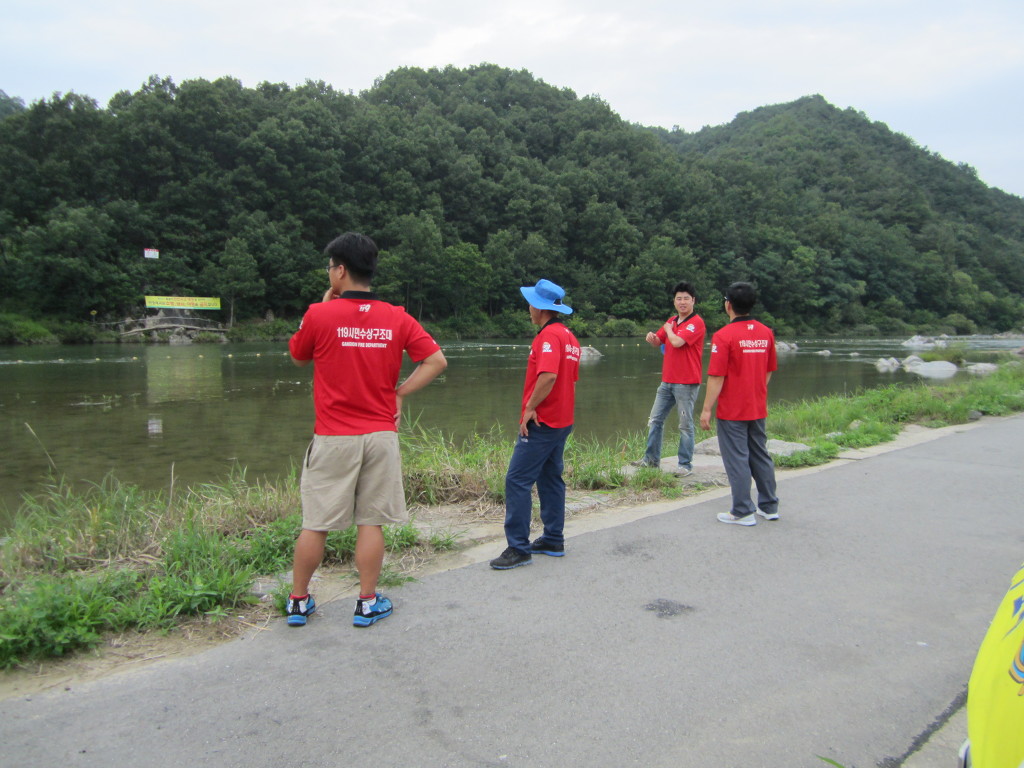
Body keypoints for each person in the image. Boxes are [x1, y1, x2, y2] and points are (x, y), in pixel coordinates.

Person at [286, 232, 447, 626]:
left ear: (340, 270)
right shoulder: (397, 316)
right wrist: (399, 393)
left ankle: (299, 602)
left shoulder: (319, 314)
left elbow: (298, 357)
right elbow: (436, 361)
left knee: (316, 523)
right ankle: (366, 603)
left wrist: (322, 307)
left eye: (330, 268)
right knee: (370, 522)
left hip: (333, 437)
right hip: (380, 435)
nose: (329, 273)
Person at [490, 279, 581, 570]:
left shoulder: (548, 336)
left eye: (530, 304)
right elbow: (570, 379)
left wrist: (530, 408)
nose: (528, 309)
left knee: (517, 480)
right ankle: (553, 539)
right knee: (550, 478)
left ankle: (518, 548)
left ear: (538, 307)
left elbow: (549, 375)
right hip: (562, 420)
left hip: (543, 421)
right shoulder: (569, 336)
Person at [698, 282, 779, 526]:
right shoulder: (766, 332)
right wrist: (755, 390)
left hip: (732, 410)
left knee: (737, 459)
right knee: (760, 454)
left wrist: (706, 409)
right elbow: (769, 370)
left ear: (728, 305)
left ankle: (742, 510)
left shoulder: (724, 336)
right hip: (757, 406)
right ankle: (769, 506)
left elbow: (716, 376)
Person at [631, 281, 706, 476]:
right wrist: (652, 338)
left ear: (693, 301)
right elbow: (659, 341)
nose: (682, 302)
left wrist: (669, 330)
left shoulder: (696, 322)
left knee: (685, 425)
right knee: (655, 419)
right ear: (674, 301)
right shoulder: (672, 320)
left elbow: (677, 341)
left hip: (686, 382)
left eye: (686, 299)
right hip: (667, 381)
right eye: (679, 299)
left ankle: (685, 465)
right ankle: (650, 460)